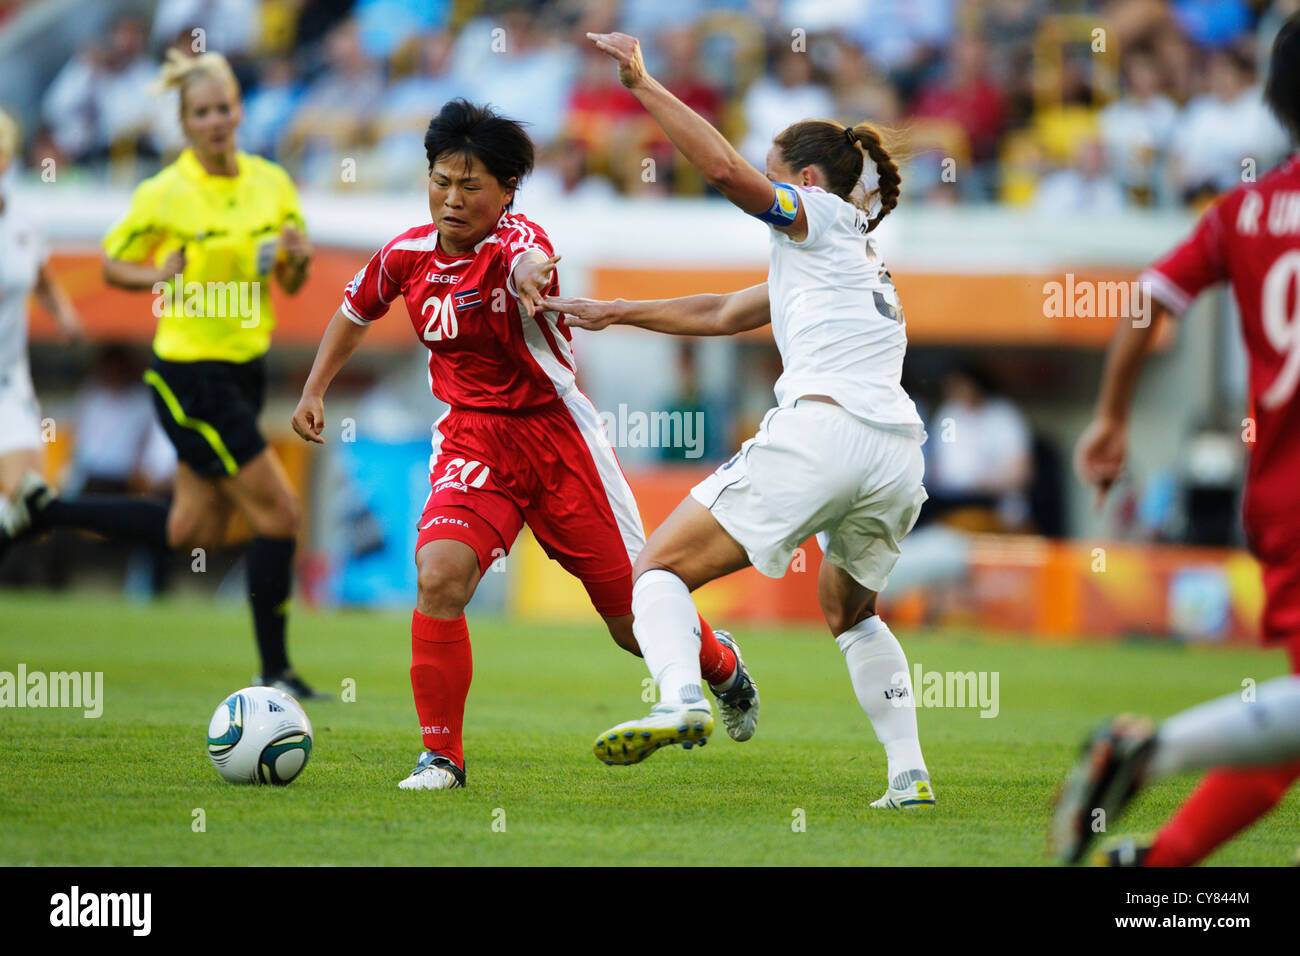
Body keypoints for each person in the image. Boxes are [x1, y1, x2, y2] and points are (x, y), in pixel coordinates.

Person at [289, 99, 755, 791]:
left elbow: (531, 260)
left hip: (558, 442)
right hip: (474, 440)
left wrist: (534, 278)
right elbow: (355, 311)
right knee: (440, 574)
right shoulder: (405, 256)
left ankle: (720, 666)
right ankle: (442, 757)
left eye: (470, 186)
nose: (452, 198)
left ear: (506, 192)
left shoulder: (517, 244)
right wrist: (314, 388)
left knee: (632, 624)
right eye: (442, 180)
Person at [547, 32, 934, 809]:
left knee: (655, 570)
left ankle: (680, 697)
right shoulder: (856, 257)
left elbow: (725, 174)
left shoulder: (814, 216)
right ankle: (909, 775)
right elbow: (725, 311)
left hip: (822, 432)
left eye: (775, 164)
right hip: (896, 455)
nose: (764, 175)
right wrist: (612, 311)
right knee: (849, 612)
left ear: (811, 179)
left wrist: (645, 87)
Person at [1, 51, 319, 699]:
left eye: (224, 108)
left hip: (245, 365)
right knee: (280, 512)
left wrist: (295, 260)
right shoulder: (165, 192)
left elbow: (292, 279)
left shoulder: (271, 184)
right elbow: (115, 265)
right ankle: (276, 672)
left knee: (189, 531)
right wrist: (159, 276)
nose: (215, 121)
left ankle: (47, 511)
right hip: (188, 371)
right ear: (183, 121)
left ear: (238, 110)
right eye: (201, 112)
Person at [1064, 14, 1300, 866]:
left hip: (1278, 493)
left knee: (1291, 727)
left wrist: (1113, 416)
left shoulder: (1243, 210)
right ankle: (1145, 752)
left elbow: (1148, 300)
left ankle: (1153, 874)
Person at [0, 109, 82, 528]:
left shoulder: (24, 221)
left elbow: (43, 278)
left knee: (30, 501)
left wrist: (64, 312)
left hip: (8, 381)